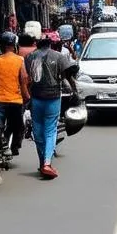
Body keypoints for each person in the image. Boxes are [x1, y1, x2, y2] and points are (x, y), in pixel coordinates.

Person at [24, 35, 79, 179]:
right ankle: (47, 163)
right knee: (50, 130)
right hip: (53, 98)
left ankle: (43, 161)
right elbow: (68, 76)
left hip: (36, 98)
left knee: (38, 131)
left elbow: (28, 78)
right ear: (50, 44)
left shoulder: (29, 57)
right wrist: (76, 93)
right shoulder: (59, 57)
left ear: (38, 44)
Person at [0, 31, 29, 160]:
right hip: (15, 101)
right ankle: (15, 147)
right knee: (18, 127)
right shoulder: (19, 60)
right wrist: (27, 97)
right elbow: (24, 80)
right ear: (14, 45)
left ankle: (2, 142)